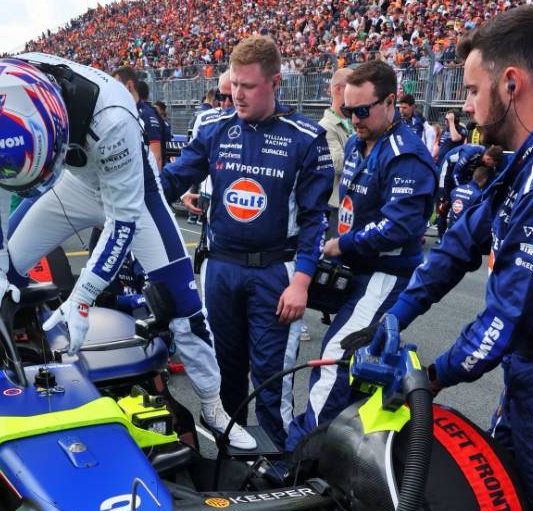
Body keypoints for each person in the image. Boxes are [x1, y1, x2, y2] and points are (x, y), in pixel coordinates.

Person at [0, 54, 256, 450]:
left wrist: (81, 299)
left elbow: (122, 224)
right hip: (68, 184)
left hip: (132, 196)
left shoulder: (112, 116)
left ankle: (213, 406)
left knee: (185, 306)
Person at [351, 6, 533, 511]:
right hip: (532, 370)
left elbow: (502, 320)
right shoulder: (530, 152)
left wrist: (430, 379)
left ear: (511, 83)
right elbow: (459, 244)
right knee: (515, 508)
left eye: (472, 90)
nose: (466, 106)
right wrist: (398, 313)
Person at [161, 36, 333, 448]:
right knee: (224, 376)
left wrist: (302, 283)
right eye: (234, 84)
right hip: (220, 269)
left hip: (277, 274)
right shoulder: (214, 128)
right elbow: (171, 180)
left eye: (248, 86)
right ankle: (227, 460)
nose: (237, 94)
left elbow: (314, 220)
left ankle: (281, 467)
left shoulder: (306, 137)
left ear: (274, 83)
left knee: (271, 382)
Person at [285, 60, 436, 449]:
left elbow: (398, 226)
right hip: (353, 271)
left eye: (362, 111)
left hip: (386, 275)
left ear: (390, 102)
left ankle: (301, 452)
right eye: (347, 111)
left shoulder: (407, 155)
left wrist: (344, 244)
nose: (354, 119)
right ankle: (347, 455)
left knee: (337, 355)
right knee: (360, 371)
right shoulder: (355, 142)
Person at [181, 70, 234, 225]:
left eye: (231, 98)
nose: (226, 103)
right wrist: (186, 192)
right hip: (209, 194)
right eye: (221, 97)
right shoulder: (205, 119)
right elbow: (191, 159)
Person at [436, 144, 503, 240]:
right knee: (444, 202)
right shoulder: (471, 153)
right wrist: (462, 191)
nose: (493, 166)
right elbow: (456, 173)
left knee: (465, 199)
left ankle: (460, 231)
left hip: (462, 174)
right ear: (489, 158)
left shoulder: (484, 159)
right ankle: (441, 236)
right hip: (448, 169)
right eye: (493, 163)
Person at [318, 67, 354, 225]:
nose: (356, 90)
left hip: (353, 201)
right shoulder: (326, 126)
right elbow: (339, 165)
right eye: (352, 86)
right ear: (339, 89)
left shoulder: (353, 121)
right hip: (337, 204)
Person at [112, 67, 164, 170]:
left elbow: (156, 157)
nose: (113, 91)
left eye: (116, 86)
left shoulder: (146, 115)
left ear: (130, 85)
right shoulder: (122, 112)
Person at [446, 165, 489, 229]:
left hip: (451, 228)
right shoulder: (478, 195)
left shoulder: (455, 190)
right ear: (484, 180)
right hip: (464, 230)